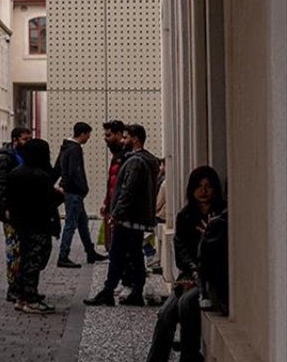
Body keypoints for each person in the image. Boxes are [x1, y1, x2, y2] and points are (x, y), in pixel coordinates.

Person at [146, 166, 225, 362]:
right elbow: (181, 252)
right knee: (165, 315)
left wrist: (200, 275)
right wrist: (193, 272)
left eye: (208, 186)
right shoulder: (185, 216)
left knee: (186, 304)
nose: (204, 191)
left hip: (211, 279)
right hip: (189, 276)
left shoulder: (222, 216)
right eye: (199, 186)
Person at [85, 124, 160, 306]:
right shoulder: (149, 160)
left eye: (126, 137)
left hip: (128, 217)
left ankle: (108, 291)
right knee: (135, 255)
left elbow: (128, 190)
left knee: (117, 254)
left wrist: (116, 213)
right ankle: (135, 291)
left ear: (135, 139)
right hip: (137, 218)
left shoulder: (135, 162)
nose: (123, 141)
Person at [5, 139, 64, 314]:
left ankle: (22, 296)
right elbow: (51, 199)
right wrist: (61, 193)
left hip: (21, 224)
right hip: (39, 223)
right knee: (36, 260)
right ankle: (30, 299)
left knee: (24, 259)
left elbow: (9, 198)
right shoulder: (40, 176)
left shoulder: (15, 173)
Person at [55, 122, 108, 268]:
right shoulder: (75, 149)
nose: (89, 138)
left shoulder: (65, 147)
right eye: (88, 134)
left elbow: (58, 167)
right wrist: (82, 188)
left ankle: (90, 252)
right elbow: (75, 171)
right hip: (74, 192)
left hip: (71, 191)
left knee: (83, 223)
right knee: (71, 224)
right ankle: (63, 256)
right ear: (83, 133)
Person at [0, 126, 31, 302]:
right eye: (25, 139)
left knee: (23, 250)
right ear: (15, 139)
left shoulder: (26, 155)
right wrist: (4, 209)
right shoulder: (5, 158)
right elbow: (1, 185)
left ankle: (22, 285)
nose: (27, 142)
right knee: (13, 250)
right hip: (11, 210)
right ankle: (13, 287)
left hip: (25, 208)